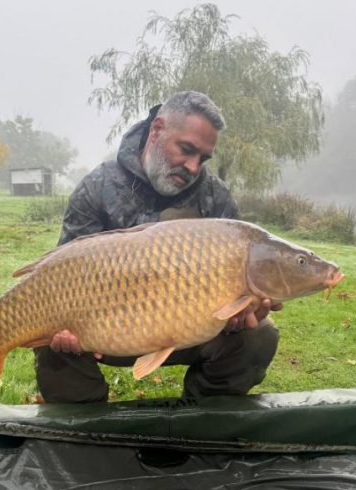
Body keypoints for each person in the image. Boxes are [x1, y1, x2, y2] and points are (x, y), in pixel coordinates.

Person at [36, 91, 281, 403]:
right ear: (157, 129)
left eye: (203, 158)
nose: (193, 166)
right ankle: (83, 428)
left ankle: (203, 419)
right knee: (49, 339)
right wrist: (63, 328)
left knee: (260, 335)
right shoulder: (96, 188)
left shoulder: (215, 198)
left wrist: (240, 313)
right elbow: (60, 273)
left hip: (191, 330)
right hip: (104, 332)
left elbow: (239, 296)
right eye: (186, 149)